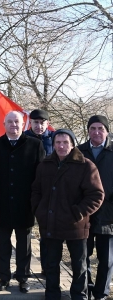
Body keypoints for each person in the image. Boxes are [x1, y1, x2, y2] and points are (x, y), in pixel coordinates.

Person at [32, 129, 104, 300]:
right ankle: (52, 294)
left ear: (72, 144)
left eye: (65, 142)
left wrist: (79, 212)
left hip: (76, 224)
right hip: (50, 223)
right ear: (54, 144)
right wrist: (39, 211)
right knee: (51, 264)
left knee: (79, 265)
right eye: (58, 142)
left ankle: (79, 295)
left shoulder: (86, 165)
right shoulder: (45, 165)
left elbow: (96, 195)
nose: (61, 146)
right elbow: (36, 191)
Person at [0, 111, 44, 293]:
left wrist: (37, 203)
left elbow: (40, 177)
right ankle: (3, 277)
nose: (14, 125)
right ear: (4, 124)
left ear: (23, 125)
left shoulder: (35, 145)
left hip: (25, 205)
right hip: (2, 204)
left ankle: (23, 277)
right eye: (10, 122)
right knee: (2, 245)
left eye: (17, 122)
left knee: (24, 245)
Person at [78, 115, 113, 300]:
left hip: (109, 215)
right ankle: (86, 290)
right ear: (88, 130)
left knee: (107, 260)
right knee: (84, 257)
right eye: (93, 128)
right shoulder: (79, 151)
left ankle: (100, 293)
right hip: (85, 213)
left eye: (101, 128)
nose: (97, 132)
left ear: (107, 131)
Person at [24, 108, 54, 274]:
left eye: (42, 122)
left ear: (47, 124)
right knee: (26, 232)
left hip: (49, 194)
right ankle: (25, 269)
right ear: (31, 123)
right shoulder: (24, 139)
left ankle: (46, 267)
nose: (39, 125)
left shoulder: (55, 140)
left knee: (46, 231)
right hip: (28, 193)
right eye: (35, 122)